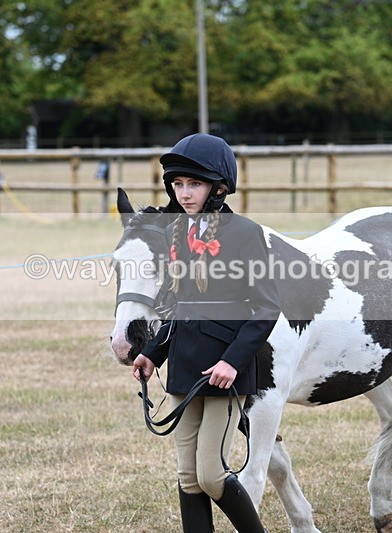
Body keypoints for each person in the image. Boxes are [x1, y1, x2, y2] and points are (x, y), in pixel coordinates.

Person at [131, 133, 279, 532]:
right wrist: (153, 353)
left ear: (219, 187)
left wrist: (232, 362)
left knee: (211, 475)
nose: (184, 193)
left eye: (193, 184)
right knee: (187, 476)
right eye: (177, 184)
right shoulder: (176, 232)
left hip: (224, 371)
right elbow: (179, 306)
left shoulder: (245, 233)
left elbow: (267, 308)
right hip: (184, 367)